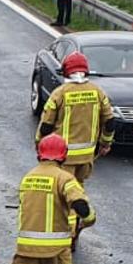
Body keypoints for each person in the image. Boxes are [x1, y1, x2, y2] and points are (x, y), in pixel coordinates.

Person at [11, 134, 93, 264]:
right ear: (63, 156)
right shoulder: (64, 178)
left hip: (27, 246)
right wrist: (89, 218)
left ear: (40, 154)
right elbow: (79, 203)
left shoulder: (27, 178)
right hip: (56, 248)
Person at [36, 51, 115, 183]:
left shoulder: (60, 93)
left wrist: (39, 143)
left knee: (62, 192)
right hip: (87, 156)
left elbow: (46, 125)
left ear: (66, 71)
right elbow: (110, 121)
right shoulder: (98, 92)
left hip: (61, 155)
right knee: (78, 189)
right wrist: (105, 144)